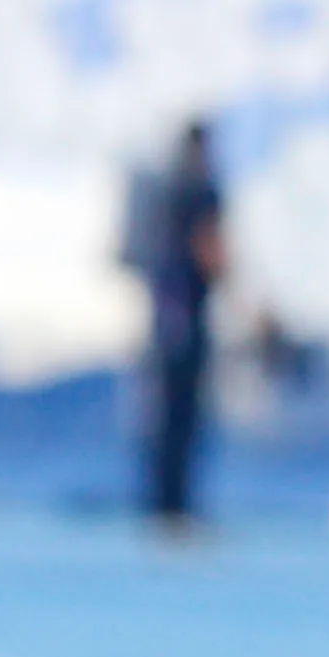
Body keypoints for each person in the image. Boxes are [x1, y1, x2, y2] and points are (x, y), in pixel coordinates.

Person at [130, 116, 230, 531]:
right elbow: (211, 254)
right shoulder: (199, 194)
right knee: (182, 421)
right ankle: (175, 506)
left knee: (165, 420)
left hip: (165, 321)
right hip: (186, 322)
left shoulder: (167, 192)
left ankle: (162, 504)